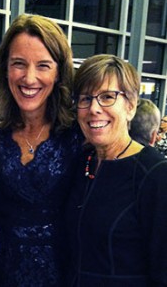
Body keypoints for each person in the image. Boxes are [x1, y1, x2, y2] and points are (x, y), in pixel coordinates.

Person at [0, 14, 82, 286]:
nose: (29, 78)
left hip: (60, 274)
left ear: (59, 71)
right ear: (5, 68)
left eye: (43, 66)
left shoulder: (78, 133)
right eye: (19, 64)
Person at [66, 54, 167, 286]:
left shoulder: (155, 174)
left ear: (130, 107)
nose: (94, 108)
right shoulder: (83, 162)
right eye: (85, 98)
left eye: (108, 97)